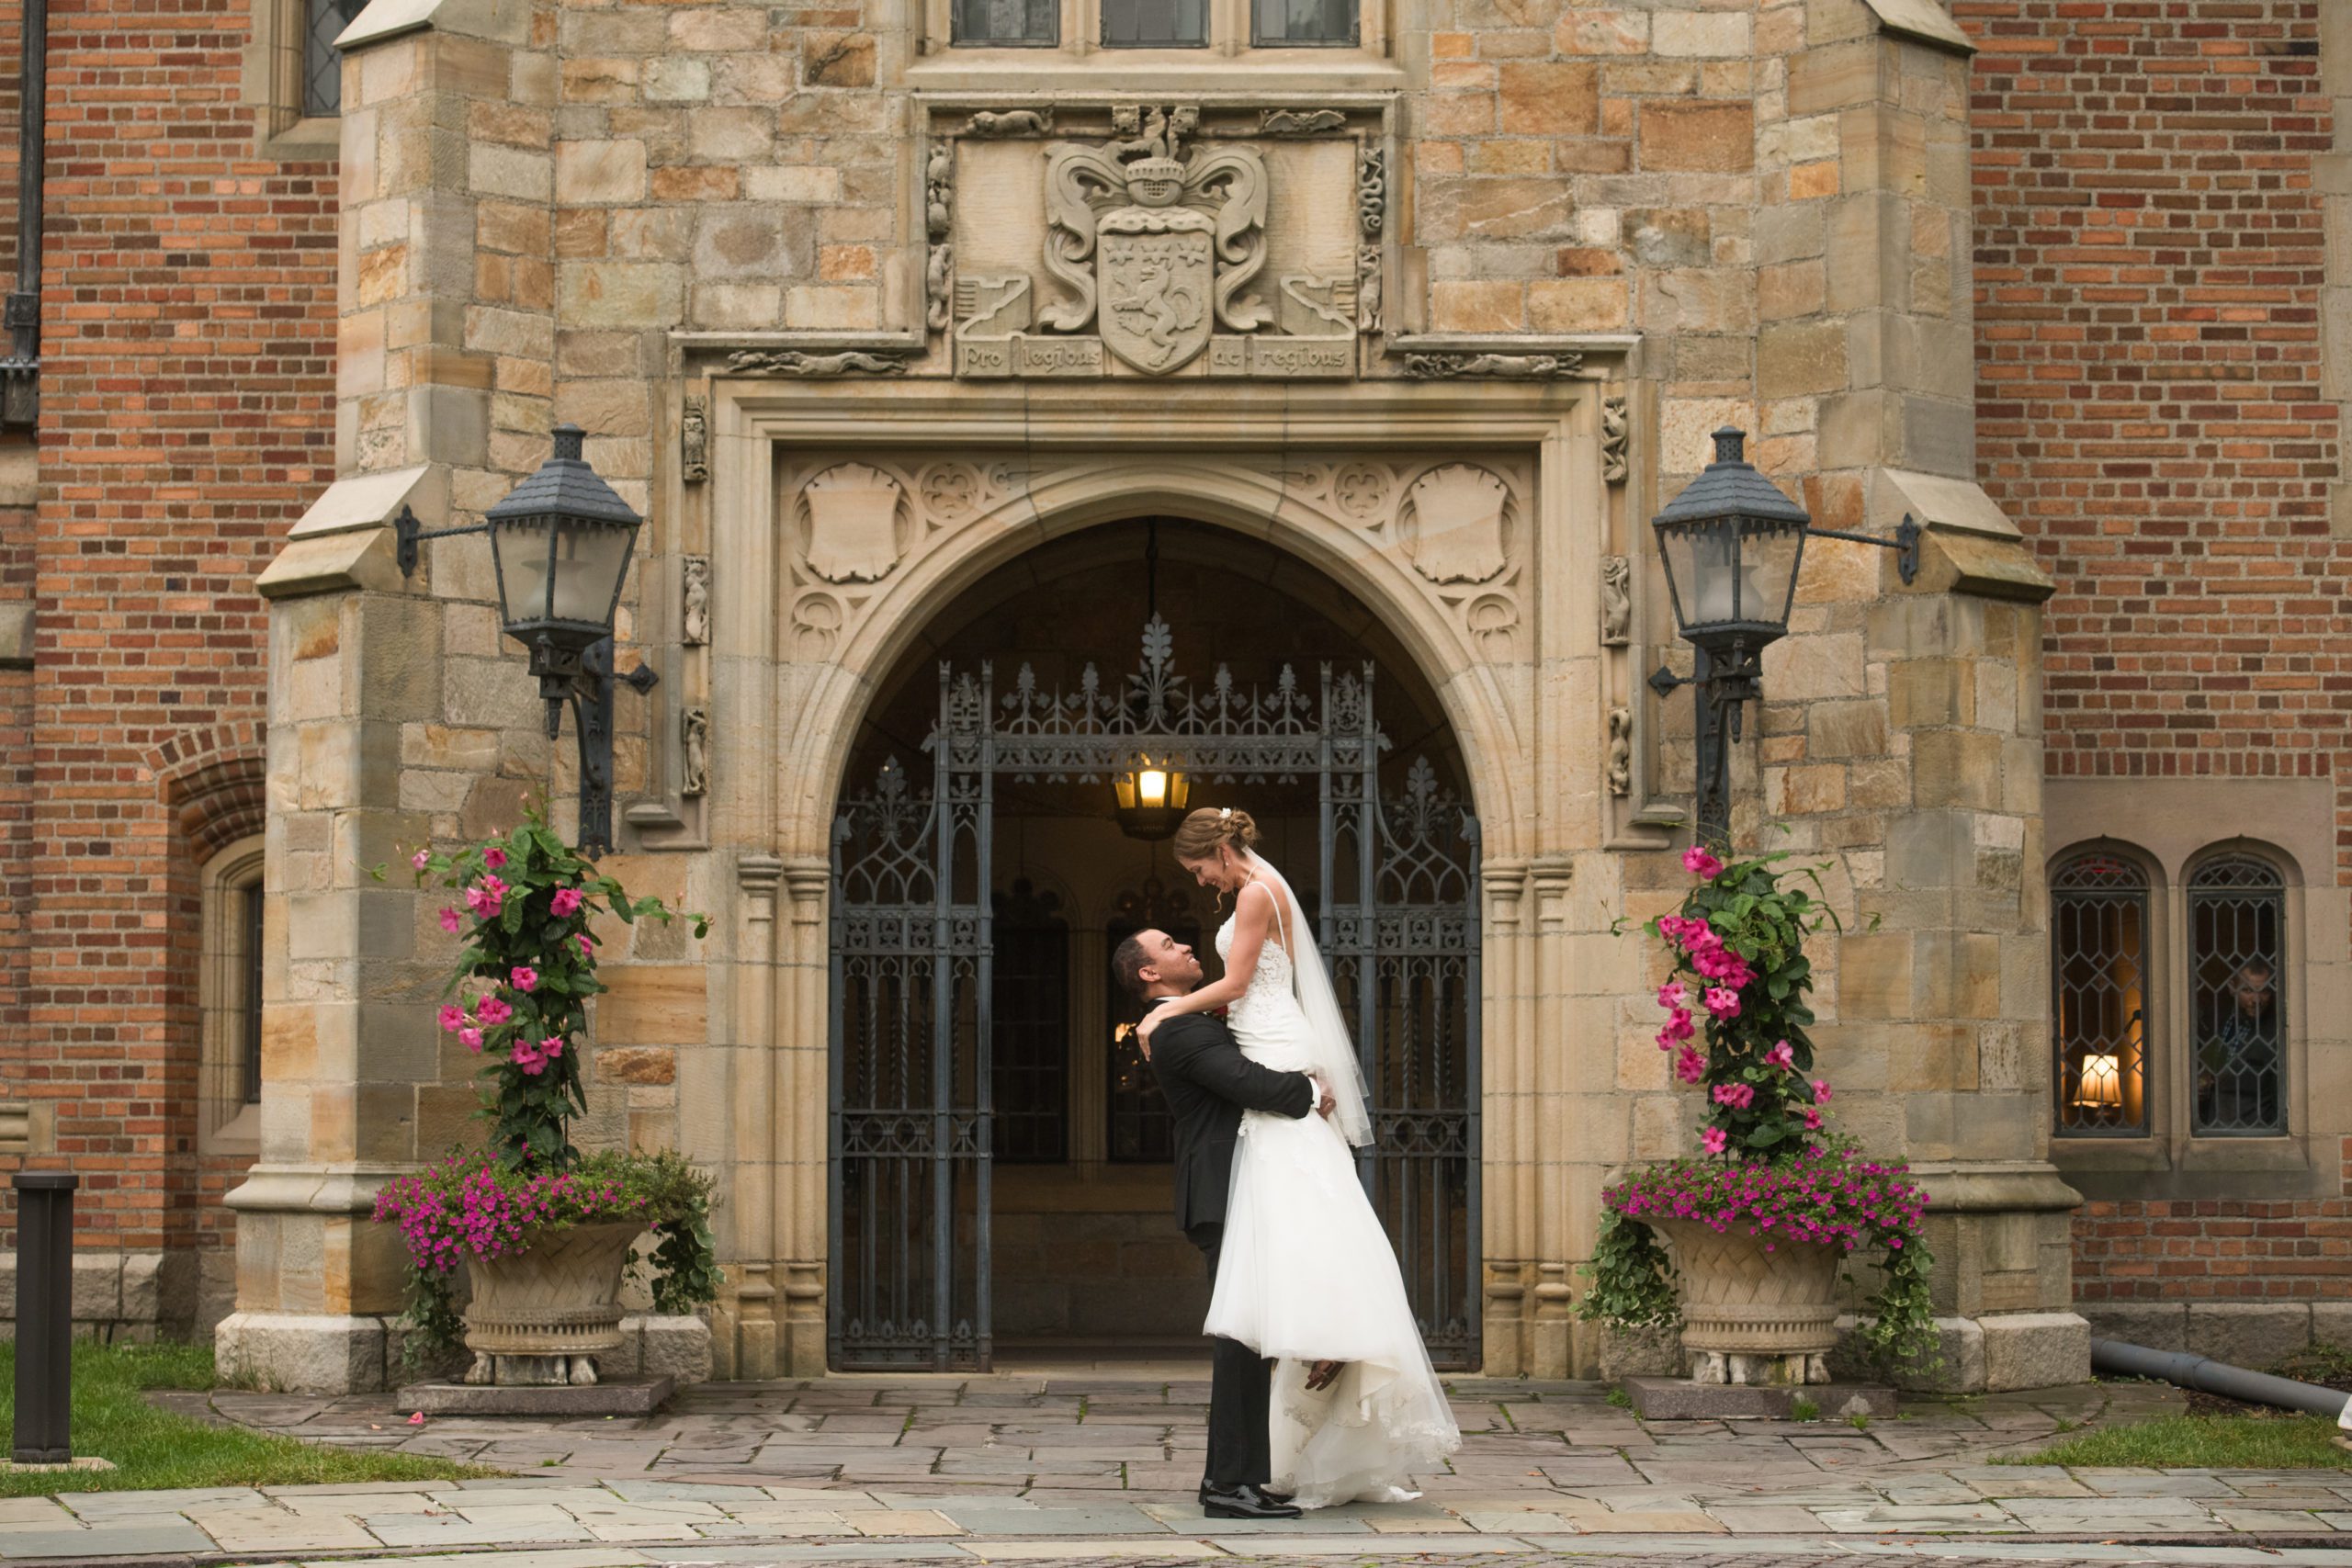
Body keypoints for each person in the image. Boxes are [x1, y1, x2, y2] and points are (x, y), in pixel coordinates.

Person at [1136, 807, 1462, 1509]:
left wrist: (1167, 1010)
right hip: (1272, 1066)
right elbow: (1242, 1037)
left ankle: (1257, 1445)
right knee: (1275, 1275)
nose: (1202, 884)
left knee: (1293, 1237)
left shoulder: (1254, 894)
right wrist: (1306, 1086)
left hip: (1273, 1053)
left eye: (1200, 869)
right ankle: (1247, 1460)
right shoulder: (1245, 916)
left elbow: (1236, 986)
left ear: (1222, 849)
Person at [1113, 925, 1327, 1521]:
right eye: (1169, 944)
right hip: (1222, 1195)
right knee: (1241, 1344)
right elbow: (1248, 1084)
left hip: (1242, 1190)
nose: (1184, 945)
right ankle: (1228, 1485)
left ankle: (1239, 1481)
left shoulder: (1184, 1018)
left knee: (1252, 1343)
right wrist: (1311, 1085)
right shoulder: (1178, 1027)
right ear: (1149, 972)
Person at [2196, 959, 2279, 1131]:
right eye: (2248, 990)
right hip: (2214, 1128)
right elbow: (2212, 1069)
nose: (2257, 1000)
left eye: (2264, 991)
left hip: (2255, 1133)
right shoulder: (2221, 1020)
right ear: (2232, 988)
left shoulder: (2274, 1034)